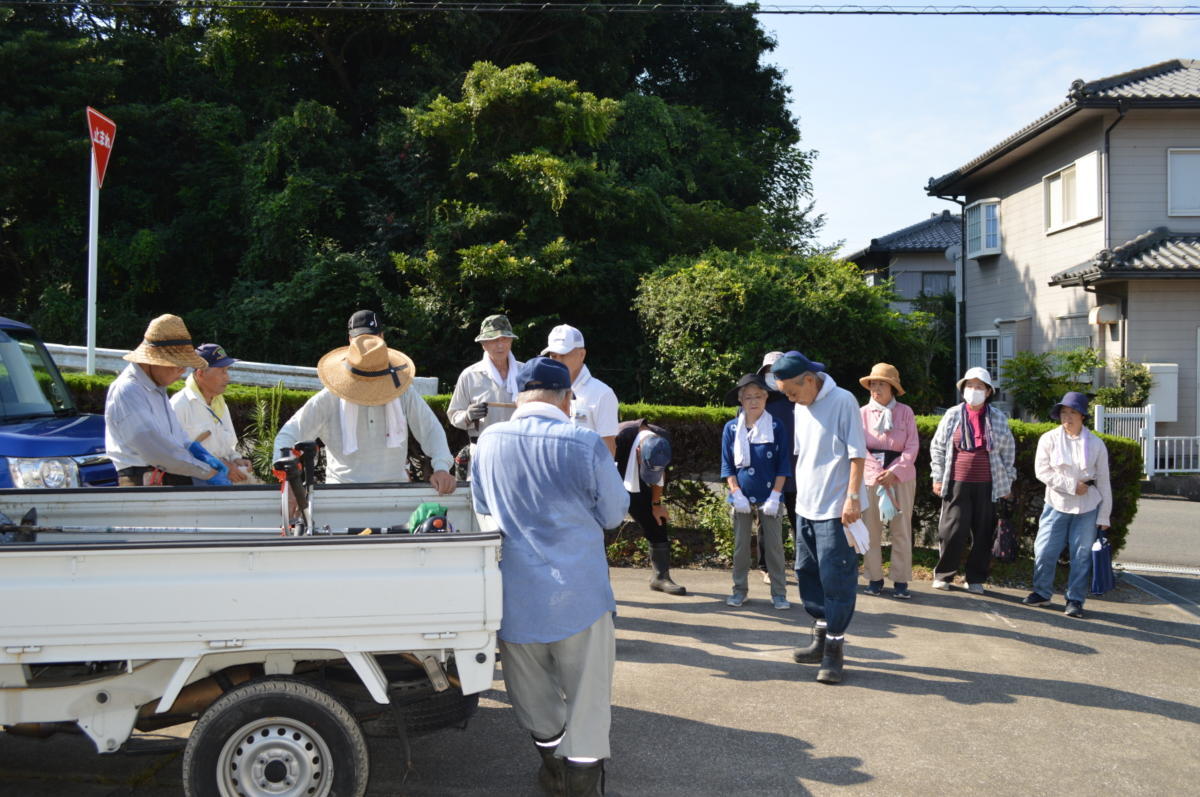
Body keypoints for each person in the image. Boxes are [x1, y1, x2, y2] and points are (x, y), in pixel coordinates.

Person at [471, 357, 628, 796]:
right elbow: (614, 514)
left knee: (533, 699)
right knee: (588, 699)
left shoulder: (487, 444)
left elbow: (483, 509)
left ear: (519, 396)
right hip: (580, 595)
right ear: (565, 398)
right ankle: (582, 784)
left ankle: (551, 769)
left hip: (516, 595)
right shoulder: (583, 442)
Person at [771, 351, 867, 685]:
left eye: (792, 392)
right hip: (807, 505)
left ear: (809, 380)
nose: (790, 399)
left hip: (837, 508)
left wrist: (852, 498)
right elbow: (805, 454)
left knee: (836, 577)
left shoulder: (844, 401)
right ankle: (820, 637)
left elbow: (857, 454)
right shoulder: (801, 405)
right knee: (807, 571)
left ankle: (835, 651)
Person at [273, 333, 456, 492]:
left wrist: (441, 468)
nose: (370, 392)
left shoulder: (404, 392)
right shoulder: (329, 398)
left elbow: (430, 429)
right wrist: (289, 482)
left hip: (396, 491)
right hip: (340, 494)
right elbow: (288, 436)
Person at [104, 314, 230, 487]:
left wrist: (196, 451)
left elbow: (177, 437)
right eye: (178, 364)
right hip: (143, 481)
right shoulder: (128, 390)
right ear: (154, 361)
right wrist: (205, 471)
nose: (182, 371)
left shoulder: (158, 389)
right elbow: (155, 450)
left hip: (170, 476)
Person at [929, 366, 1016, 593]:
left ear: (988, 392)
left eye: (979, 387)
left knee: (983, 532)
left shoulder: (997, 417)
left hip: (989, 483)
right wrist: (937, 478)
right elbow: (937, 447)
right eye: (970, 386)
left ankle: (975, 578)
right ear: (963, 389)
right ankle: (944, 575)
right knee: (952, 530)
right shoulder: (952, 414)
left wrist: (1007, 483)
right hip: (956, 481)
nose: (974, 390)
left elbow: (1008, 452)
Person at [1024, 391, 1112, 618]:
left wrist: (1104, 516)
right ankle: (1042, 592)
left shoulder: (1096, 444)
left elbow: (1103, 481)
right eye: (1064, 412)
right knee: (1044, 550)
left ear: (1083, 415)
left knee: (1081, 555)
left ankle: (1075, 600)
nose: (1068, 417)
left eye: (1073, 412)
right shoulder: (1049, 439)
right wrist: (1071, 485)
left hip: (1088, 506)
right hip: (1056, 502)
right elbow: (1041, 471)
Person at [720, 373, 790, 610]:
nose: (753, 401)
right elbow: (727, 465)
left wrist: (775, 495)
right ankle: (739, 591)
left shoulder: (776, 426)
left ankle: (779, 593)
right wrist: (735, 492)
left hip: (770, 494)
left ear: (766, 397)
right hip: (740, 496)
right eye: (748, 397)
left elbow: (783, 465)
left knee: (774, 547)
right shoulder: (731, 428)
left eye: (758, 396)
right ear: (740, 400)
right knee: (740, 547)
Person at [858, 363, 919, 600]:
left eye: (881, 383)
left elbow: (912, 446)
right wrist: (877, 473)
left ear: (892, 387)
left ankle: (901, 579)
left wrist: (895, 471)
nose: (875, 388)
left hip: (901, 478)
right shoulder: (861, 413)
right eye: (873, 384)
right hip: (872, 477)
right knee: (870, 529)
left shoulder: (905, 412)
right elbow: (858, 447)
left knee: (901, 529)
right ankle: (874, 577)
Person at [614, 418, 685, 595]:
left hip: (637, 482)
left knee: (656, 520)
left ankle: (660, 577)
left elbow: (660, 474)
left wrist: (656, 504)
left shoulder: (662, 439)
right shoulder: (620, 435)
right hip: (613, 476)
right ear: (638, 451)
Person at [171, 343, 255, 483]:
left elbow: (229, 448)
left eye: (227, 371)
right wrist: (222, 466)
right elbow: (177, 455)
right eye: (222, 371)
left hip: (221, 486)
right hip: (192, 488)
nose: (227, 378)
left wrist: (236, 460)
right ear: (201, 373)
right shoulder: (180, 404)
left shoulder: (220, 404)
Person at [447, 314, 524, 447]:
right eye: (494, 340)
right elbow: (454, 414)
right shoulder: (470, 376)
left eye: (504, 339)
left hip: (519, 447)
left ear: (511, 341)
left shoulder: (525, 372)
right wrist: (467, 416)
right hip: (483, 447)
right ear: (483, 344)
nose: (500, 345)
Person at [541, 324, 618, 456]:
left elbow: (608, 451)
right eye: (553, 356)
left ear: (582, 355)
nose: (558, 361)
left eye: (563, 354)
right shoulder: (545, 392)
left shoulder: (602, 394)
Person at [758, 351, 798, 582]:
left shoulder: (798, 398)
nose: (773, 376)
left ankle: (804, 565)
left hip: (796, 471)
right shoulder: (756, 398)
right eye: (769, 372)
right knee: (767, 522)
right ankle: (767, 567)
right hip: (766, 473)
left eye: (778, 371)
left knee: (800, 521)